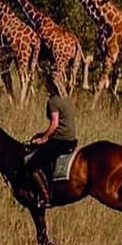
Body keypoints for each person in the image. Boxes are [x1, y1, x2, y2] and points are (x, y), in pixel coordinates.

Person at [26, 81, 79, 209]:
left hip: (60, 141)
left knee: (33, 164)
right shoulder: (66, 99)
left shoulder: (53, 101)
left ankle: (45, 197)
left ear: (50, 85)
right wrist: (42, 134)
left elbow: (54, 124)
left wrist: (43, 138)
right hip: (71, 139)